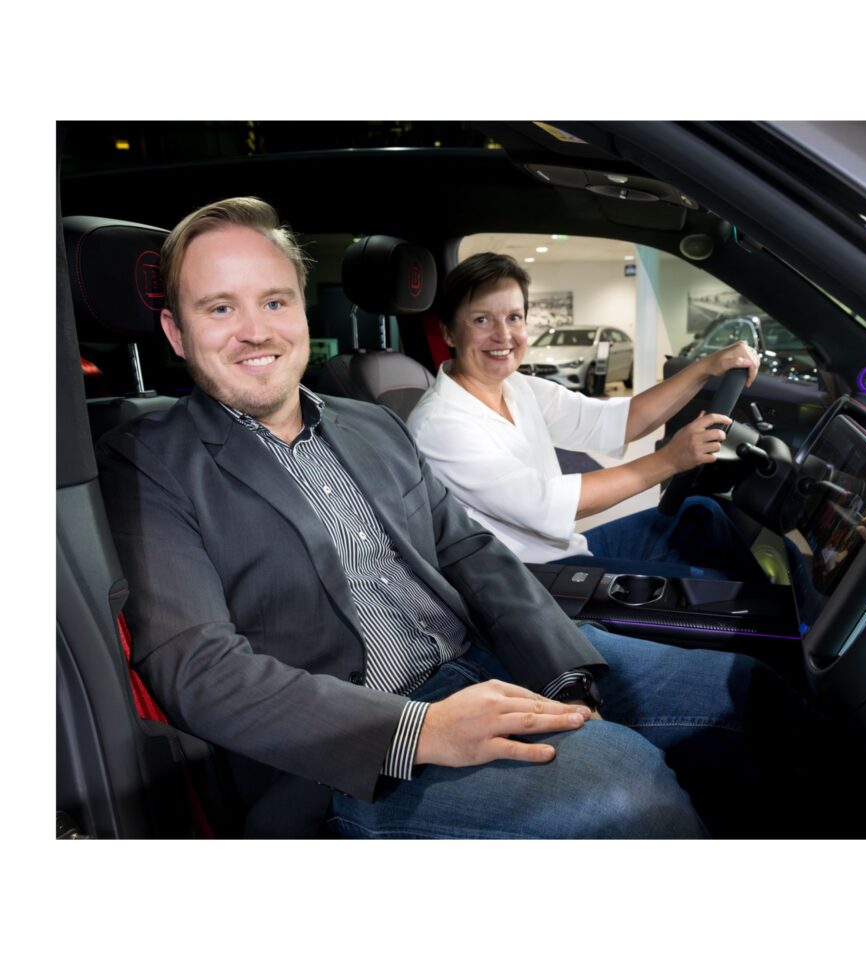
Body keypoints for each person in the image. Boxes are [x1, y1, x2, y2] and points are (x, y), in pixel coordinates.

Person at [96, 198, 789, 838]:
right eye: (219, 309)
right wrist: (420, 732)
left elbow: (471, 553)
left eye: (274, 301)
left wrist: (562, 677)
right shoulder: (149, 460)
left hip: (478, 662)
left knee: (749, 694)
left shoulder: (369, 424)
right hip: (352, 751)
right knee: (628, 798)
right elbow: (199, 668)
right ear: (175, 332)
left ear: (302, 311)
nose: (256, 331)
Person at [406, 252, 762, 581]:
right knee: (712, 597)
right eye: (482, 320)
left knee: (700, 515)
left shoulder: (519, 388)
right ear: (449, 331)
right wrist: (669, 460)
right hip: (526, 584)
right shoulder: (441, 423)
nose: (503, 335)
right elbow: (544, 504)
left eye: (514, 318)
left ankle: (790, 629)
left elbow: (619, 420)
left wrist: (706, 368)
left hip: (564, 552)